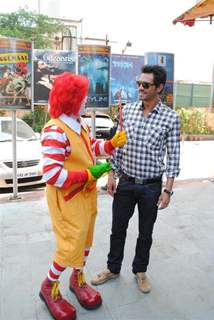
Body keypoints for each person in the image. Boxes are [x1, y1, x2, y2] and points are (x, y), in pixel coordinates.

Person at [39, 72, 127, 320]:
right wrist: (89, 174)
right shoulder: (55, 130)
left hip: (85, 197)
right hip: (66, 200)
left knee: (85, 241)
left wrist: (111, 145)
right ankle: (48, 286)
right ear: (71, 98)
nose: (86, 99)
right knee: (69, 245)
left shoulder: (80, 124)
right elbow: (52, 175)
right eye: (82, 96)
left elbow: (92, 149)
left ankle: (77, 279)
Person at [91, 65, 180, 294]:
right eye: (138, 83)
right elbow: (117, 147)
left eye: (146, 85)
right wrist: (112, 175)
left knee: (145, 233)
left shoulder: (171, 118)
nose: (140, 88)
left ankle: (140, 271)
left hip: (151, 187)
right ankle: (112, 268)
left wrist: (167, 190)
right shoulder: (127, 111)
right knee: (117, 229)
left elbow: (174, 157)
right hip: (127, 183)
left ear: (159, 87)